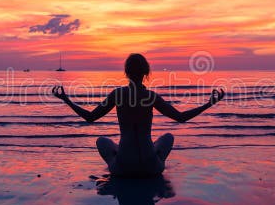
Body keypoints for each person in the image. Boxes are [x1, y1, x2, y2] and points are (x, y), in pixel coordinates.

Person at [51, 53, 225, 177]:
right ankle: (153, 157)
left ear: (126, 73)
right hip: (151, 168)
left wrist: (66, 99)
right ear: (146, 73)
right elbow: (181, 117)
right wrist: (209, 103)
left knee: (102, 141)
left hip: (122, 168)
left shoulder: (118, 94)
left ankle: (122, 156)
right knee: (167, 138)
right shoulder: (151, 96)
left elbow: (90, 117)